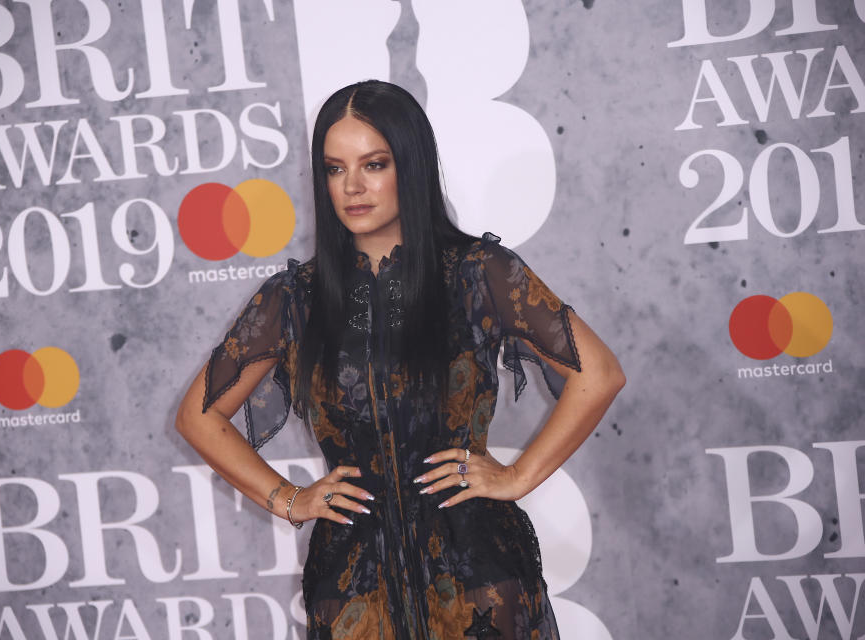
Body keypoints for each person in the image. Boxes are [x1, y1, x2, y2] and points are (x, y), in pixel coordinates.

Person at [176, 80, 625, 640]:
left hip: (478, 585)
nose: (353, 186)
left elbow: (599, 373)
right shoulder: (295, 299)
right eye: (335, 169)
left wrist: (517, 476)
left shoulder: (476, 273)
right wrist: (290, 500)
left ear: (409, 166)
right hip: (353, 589)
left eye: (374, 164)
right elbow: (198, 415)